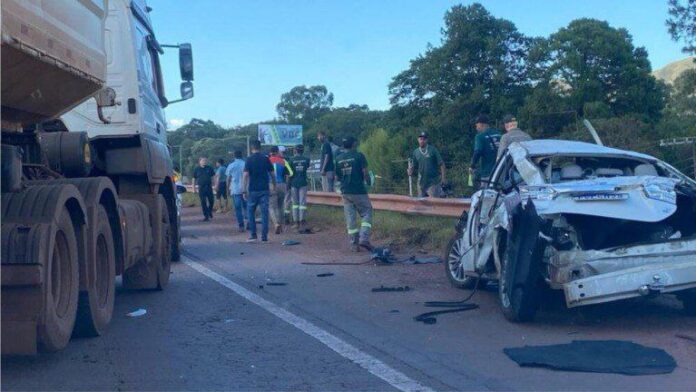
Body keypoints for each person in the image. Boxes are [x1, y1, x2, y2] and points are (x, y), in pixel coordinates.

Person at [335, 137, 373, 252]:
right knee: (367, 212)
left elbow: (337, 177)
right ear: (354, 144)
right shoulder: (359, 156)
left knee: (350, 218)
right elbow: (365, 172)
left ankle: (353, 245)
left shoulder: (338, 159)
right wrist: (368, 182)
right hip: (358, 190)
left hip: (345, 192)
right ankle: (364, 238)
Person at [243, 140, 275, 242]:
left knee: (251, 212)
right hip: (264, 189)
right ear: (260, 148)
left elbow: (245, 176)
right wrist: (274, 185)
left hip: (253, 190)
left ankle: (253, 235)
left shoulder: (248, 159)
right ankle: (264, 237)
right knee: (264, 213)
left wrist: (244, 190)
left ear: (252, 148)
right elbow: (272, 174)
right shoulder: (265, 159)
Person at [407, 132, 446, 198]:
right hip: (421, 183)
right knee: (421, 204)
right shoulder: (415, 152)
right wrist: (410, 171)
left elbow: (442, 164)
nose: (422, 141)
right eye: (421, 139)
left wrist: (443, 178)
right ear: (418, 140)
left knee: (433, 203)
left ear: (427, 140)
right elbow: (414, 166)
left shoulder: (433, 150)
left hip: (433, 183)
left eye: (424, 139)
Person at [469, 114, 502, 189]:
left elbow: (478, 151)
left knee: (486, 196)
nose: (476, 128)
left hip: (487, 173)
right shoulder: (499, 134)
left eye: (477, 125)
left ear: (481, 124)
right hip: (501, 171)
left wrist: (472, 165)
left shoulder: (480, 137)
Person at [268, 146, 293, 234]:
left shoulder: (267, 161)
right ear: (277, 152)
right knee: (280, 206)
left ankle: (276, 224)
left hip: (271, 184)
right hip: (282, 184)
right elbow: (290, 173)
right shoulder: (283, 161)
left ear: (271, 152)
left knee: (271, 207)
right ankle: (281, 225)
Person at [287, 144, 310, 231]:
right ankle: (302, 221)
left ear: (295, 151)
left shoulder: (291, 160)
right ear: (302, 150)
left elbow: (290, 174)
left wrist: (288, 185)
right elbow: (306, 167)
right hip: (303, 183)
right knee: (302, 203)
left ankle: (296, 222)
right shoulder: (307, 160)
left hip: (294, 183)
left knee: (295, 204)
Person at [225, 150, 247, 232]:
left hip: (235, 189)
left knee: (238, 208)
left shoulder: (231, 165)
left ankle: (241, 225)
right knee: (246, 207)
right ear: (242, 156)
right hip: (245, 189)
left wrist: (227, 189)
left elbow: (228, 179)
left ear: (234, 156)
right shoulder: (246, 164)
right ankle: (248, 222)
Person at [192, 157, 215, 221]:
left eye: (205, 160)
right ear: (199, 162)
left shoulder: (209, 168)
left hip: (209, 187)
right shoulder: (196, 169)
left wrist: (215, 185)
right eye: (203, 160)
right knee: (203, 202)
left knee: (211, 201)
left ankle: (209, 211)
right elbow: (194, 179)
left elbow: (213, 177)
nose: (204, 161)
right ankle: (206, 216)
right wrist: (194, 188)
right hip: (201, 188)